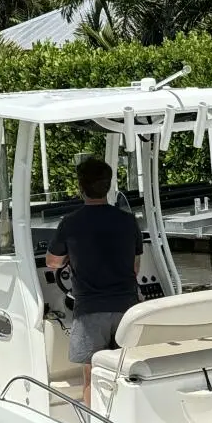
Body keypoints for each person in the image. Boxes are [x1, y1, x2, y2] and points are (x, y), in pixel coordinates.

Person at [45, 157, 142, 406]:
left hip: (90, 312)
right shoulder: (128, 221)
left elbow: (52, 262)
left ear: (80, 187)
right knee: (125, 371)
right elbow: (135, 266)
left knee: (92, 373)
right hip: (127, 309)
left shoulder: (70, 223)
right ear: (108, 186)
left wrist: (68, 258)